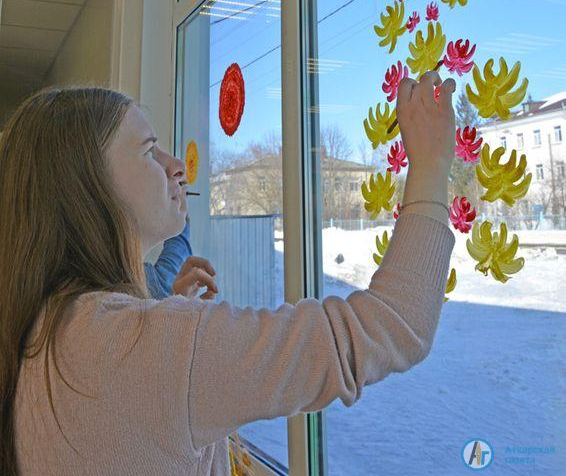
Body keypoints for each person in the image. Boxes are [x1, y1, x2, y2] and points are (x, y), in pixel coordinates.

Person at [0, 73, 456, 475]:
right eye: (147, 150)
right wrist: (432, 164)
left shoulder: (44, 322)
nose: (175, 165)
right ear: (87, 187)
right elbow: (394, 323)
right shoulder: (151, 349)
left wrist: (156, 313)